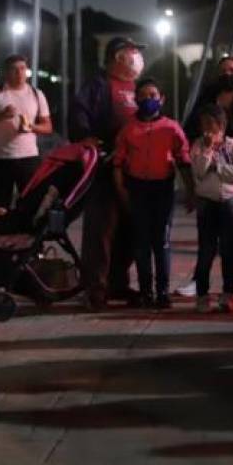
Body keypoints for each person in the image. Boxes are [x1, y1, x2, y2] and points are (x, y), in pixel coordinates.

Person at [69, 36, 146, 309]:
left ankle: (119, 283)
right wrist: (86, 137)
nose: (137, 56)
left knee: (130, 228)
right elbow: (79, 113)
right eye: (133, 51)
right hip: (104, 167)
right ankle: (96, 288)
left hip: (134, 170)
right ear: (117, 57)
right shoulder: (98, 85)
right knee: (102, 229)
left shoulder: (139, 87)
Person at [114, 78, 191, 309]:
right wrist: (121, 191)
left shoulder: (171, 127)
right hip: (137, 188)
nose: (149, 100)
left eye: (153, 95)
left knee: (162, 242)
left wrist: (192, 191)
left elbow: (184, 160)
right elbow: (117, 163)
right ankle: (146, 292)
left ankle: (163, 292)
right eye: (144, 96)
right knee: (141, 243)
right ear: (136, 99)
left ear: (162, 99)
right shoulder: (128, 129)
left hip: (163, 189)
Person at [190, 104, 233, 313]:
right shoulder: (197, 145)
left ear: (221, 125)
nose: (206, 129)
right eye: (202, 124)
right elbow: (199, 172)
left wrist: (219, 167)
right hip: (206, 202)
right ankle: (202, 295)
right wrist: (207, 150)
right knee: (206, 250)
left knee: (228, 250)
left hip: (229, 201)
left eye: (210, 124)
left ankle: (228, 293)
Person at [0, 54, 53, 212]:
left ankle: (26, 236)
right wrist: (1, 115)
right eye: (14, 69)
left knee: (31, 202)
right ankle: (0, 235)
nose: (19, 73)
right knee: (0, 205)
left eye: (22, 69)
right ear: (6, 72)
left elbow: (48, 127)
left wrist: (31, 127)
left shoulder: (36, 94)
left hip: (29, 156)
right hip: (0, 157)